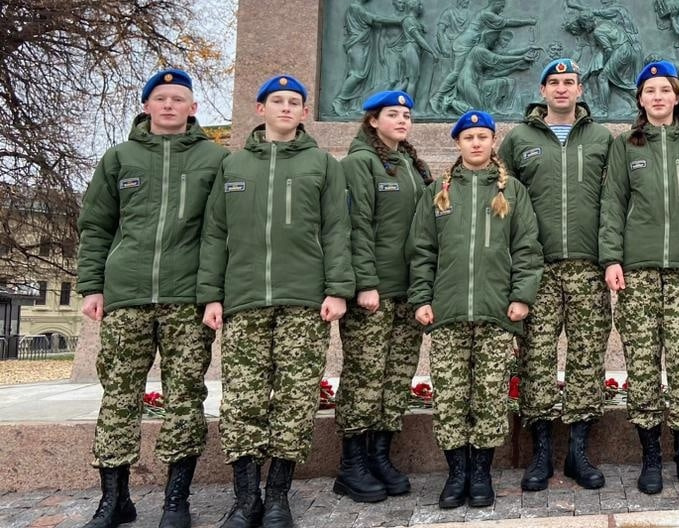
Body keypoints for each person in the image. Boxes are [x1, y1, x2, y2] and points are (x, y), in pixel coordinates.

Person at [199, 75, 355, 528]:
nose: (286, 108)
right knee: (242, 399)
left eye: (294, 102)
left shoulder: (323, 165)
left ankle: (278, 498)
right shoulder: (233, 166)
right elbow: (214, 234)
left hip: (303, 300)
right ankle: (246, 499)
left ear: (304, 112)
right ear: (260, 108)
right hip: (244, 298)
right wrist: (211, 295)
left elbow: (336, 230)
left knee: (295, 398)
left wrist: (336, 289)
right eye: (277, 101)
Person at [75, 69, 229, 528]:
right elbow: (97, 225)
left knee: (185, 397)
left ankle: (176, 500)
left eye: (178, 98)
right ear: (146, 106)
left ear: (193, 108)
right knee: (119, 396)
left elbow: (221, 231)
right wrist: (92, 286)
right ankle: (114, 499)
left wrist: (212, 293)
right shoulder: (119, 158)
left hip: (187, 297)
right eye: (160, 98)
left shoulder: (215, 159)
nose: (168, 105)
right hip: (127, 294)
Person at [599, 60, 679, 496]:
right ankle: (650, 458)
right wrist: (612, 258)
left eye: (664, 90)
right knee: (643, 364)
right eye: (649, 91)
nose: (657, 97)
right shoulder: (625, 145)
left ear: (677, 97)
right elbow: (613, 205)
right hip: (638, 272)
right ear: (640, 99)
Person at [409, 110, 542, 510]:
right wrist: (422, 298)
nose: (477, 143)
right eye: (469, 137)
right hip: (447, 313)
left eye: (483, 136)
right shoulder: (439, 191)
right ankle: (457, 473)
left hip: (496, 312)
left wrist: (521, 296)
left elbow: (527, 248)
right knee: (451, 396)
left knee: (489, 396)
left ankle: (481, 473)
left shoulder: (512, 191)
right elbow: (422, 250)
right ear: (458, 143)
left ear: (492, 141)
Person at [498, 59, 614, 492]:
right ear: (542, 91)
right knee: (536, 359)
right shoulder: (518, 140)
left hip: (588, 267)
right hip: (538, 269)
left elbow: (614, 201)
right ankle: (541, 453)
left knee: (587, 357)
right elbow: (503, 202)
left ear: (580, 89)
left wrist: (610, 257)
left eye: (569, 82)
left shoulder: (602, 139)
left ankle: (578, 452)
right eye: (554, 83)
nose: (562, 89)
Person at [333, 90, 432, 503]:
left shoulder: (411, 163)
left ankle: (379, 456)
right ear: (373, 120)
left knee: (395, 377)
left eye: (407, 114)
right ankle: (351, 465)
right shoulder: (360, 163)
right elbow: (355, 226)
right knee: (365, 377)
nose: (402, 120)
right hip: (374, 292)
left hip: (408, 291)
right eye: (393, 114)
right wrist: (364, 283)